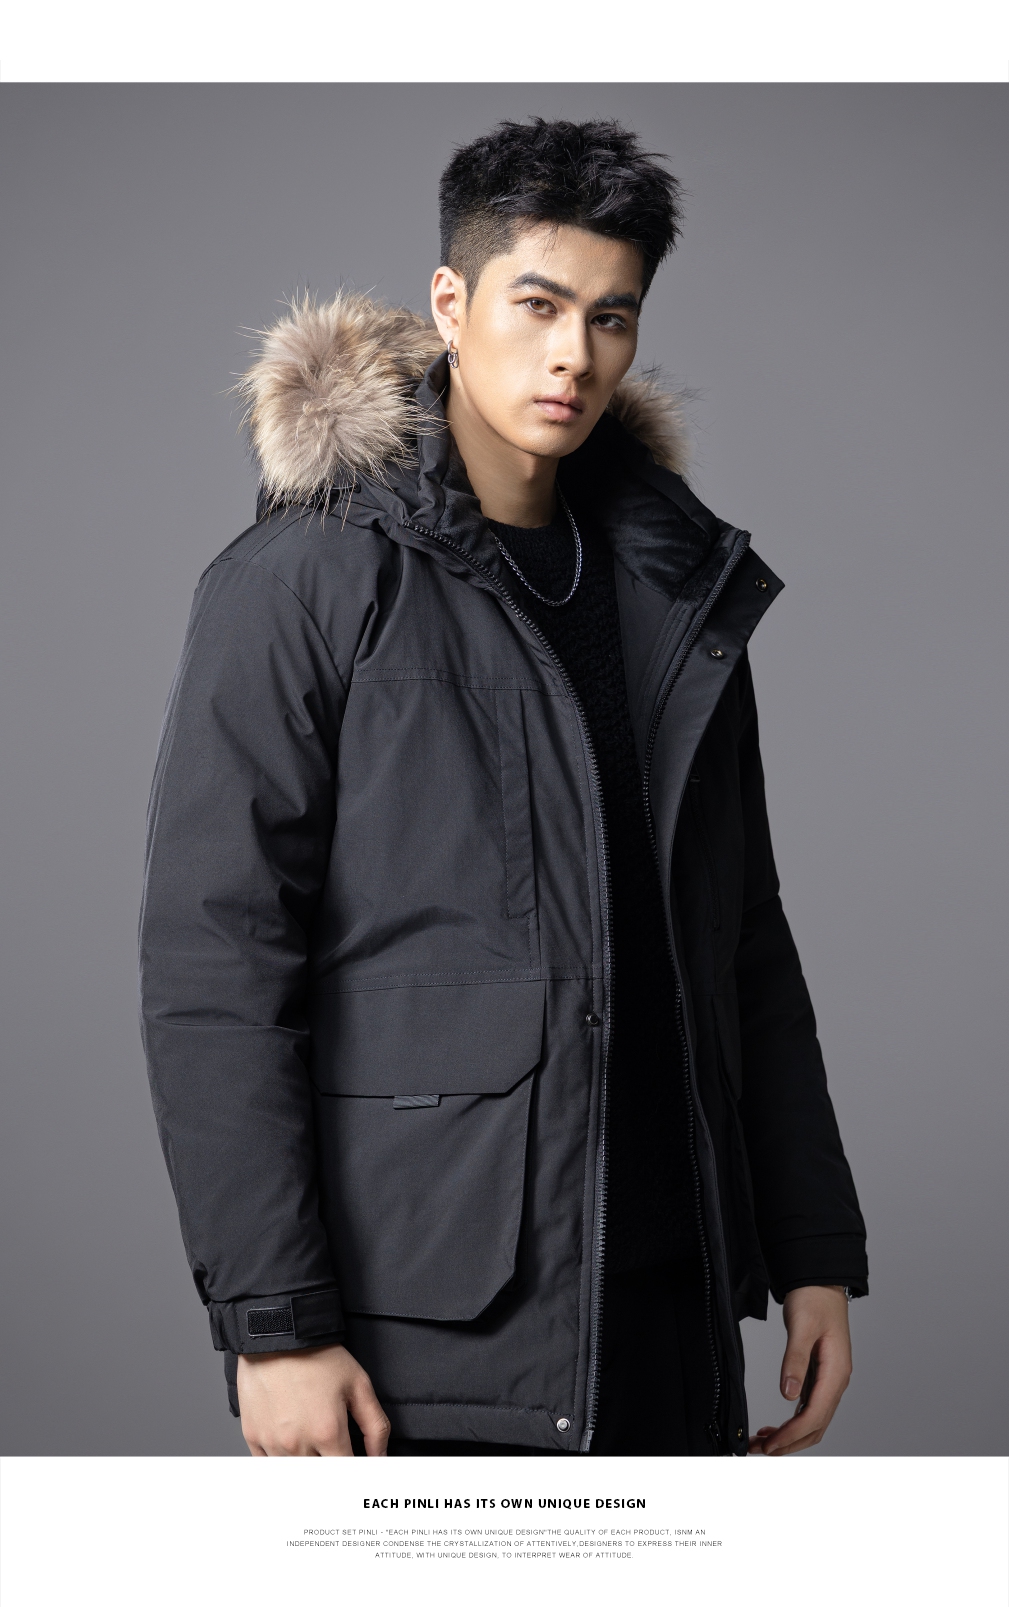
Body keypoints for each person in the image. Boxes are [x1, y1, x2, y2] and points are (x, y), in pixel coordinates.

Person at [139, 116, 868, 1458]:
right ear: (450, 302)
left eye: (610, 316)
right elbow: (216, 969)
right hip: (431, 1327)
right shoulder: (302, 584)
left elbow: (744, 939)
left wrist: (810, 1244)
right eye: (537, 304)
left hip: (672, 1303)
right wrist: (276, 1326)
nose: (571, 354)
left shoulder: (674, 596)